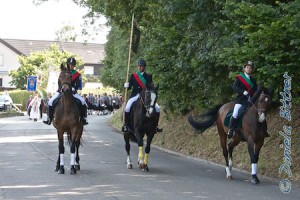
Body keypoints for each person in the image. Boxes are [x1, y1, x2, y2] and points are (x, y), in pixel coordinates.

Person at [227, 61, 270, 139]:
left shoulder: (253, 80)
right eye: (247, 67)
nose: (249, 69)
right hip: (241, 100)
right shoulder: (239, 78)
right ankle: (230, 129)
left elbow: (256, 90)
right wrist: (243, 92)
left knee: (261, 112)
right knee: (236, 113)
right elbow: (235, 87)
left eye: (250, 68)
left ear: (252, 70)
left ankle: (264, 130)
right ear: (244, 69)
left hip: (252, 100)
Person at [43, 57, 88, 125]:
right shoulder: (63, 73)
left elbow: (79, 85)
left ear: (74, 66)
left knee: (83, 102)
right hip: (61, 91)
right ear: (67, 65)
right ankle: (49, 118)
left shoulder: (77, 74)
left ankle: (83, 118)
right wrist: (60, 88)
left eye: (72, 65)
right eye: (69, 64)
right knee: (50, 102)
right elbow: (59, 82)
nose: (71, 66)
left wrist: (74, 88)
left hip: (72, 92)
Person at [122, 59, 162, 133]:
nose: (140, 67)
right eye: (139, 66)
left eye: (141, 66)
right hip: (135, 95)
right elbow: (129, 87)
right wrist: (126, 86)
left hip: (146, 96)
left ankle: (155, 126)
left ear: (144, 67)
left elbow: (151, 87)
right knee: (127, 107)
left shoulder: (149, 76)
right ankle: (126, 125)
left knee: (157, 108)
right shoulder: (133, 76)